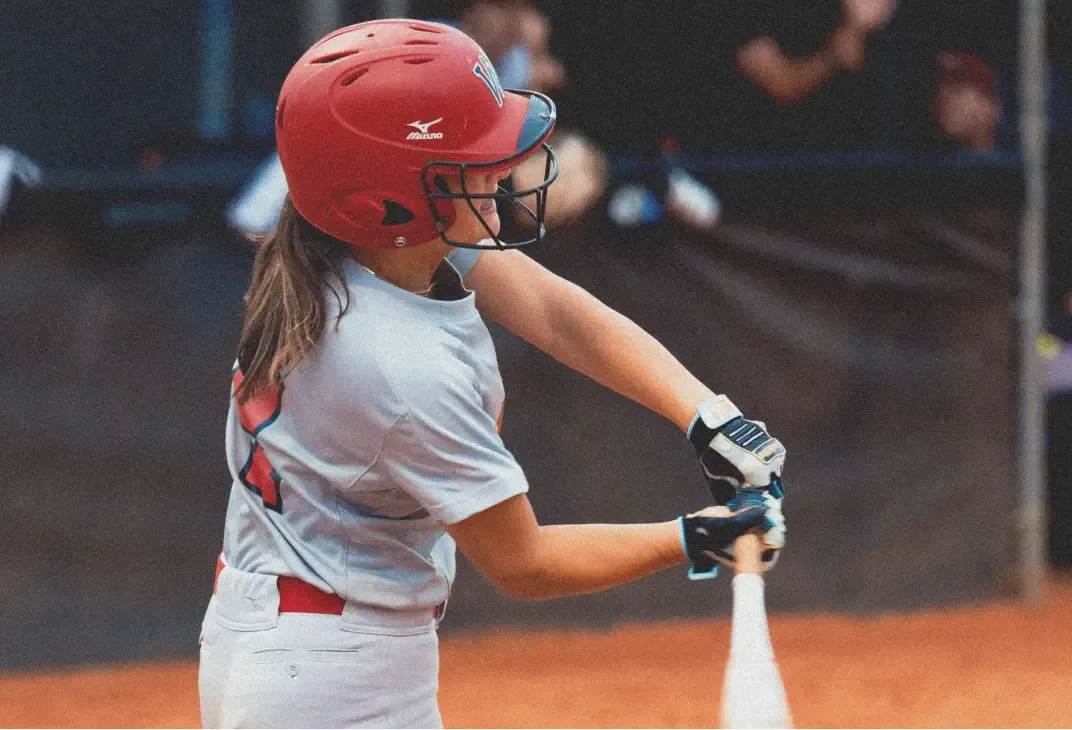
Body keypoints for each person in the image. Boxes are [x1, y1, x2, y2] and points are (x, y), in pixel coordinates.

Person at [198, 19, 786, 730]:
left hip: (285, 634)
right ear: (388, 201)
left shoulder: (365, 250)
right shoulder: (399, 367)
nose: (503, 169)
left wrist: (706, 415)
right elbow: (524, 562)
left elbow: (554, 311)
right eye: (468, 159)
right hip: (330, 679)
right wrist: (698, 537)